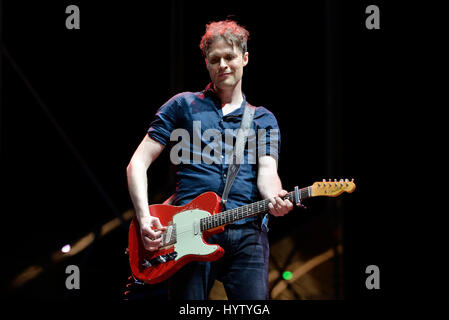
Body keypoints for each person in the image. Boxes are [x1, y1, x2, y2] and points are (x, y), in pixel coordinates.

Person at [125, 19, 294, 300]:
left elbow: (268, 172)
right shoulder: (182, 105)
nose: (223, 65)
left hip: (247, 231)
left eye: (230, 57)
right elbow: (137, 164)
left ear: (245, 58)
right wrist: (144, 219)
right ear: (206, 63)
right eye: (215, 59)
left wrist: (276, 198)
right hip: (186, 231)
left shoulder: (263, 118)